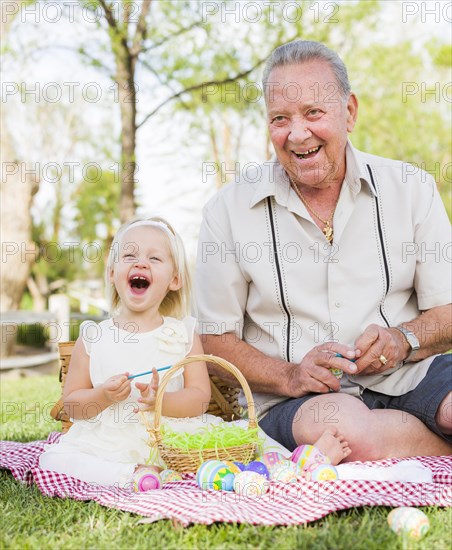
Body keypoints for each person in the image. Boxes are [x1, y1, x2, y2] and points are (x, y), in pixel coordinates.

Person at [195, 40, 452, 462]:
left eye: (314, 112)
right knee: (346, 431)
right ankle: (418, 445)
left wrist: (402, 339)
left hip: (410, 374)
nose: (297, 134)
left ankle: (405, 444)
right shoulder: (226, 211)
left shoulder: (412, 188)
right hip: (295, 401)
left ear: (349, 112)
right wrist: (292, 374)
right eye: (280, 119)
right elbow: (214, 340)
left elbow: (447, 312)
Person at [40, 216, 213, 487]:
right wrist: (102, 395)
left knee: (231, 441)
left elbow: (201, 397)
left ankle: (154, 472)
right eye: (129, 255)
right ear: (111, 273)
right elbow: (72, 405)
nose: (140, 262)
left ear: (175, 280)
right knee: (51, 460)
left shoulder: (183, 333)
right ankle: (130, 474)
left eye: (155, 259)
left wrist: (161, 402)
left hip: (170, 436)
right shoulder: (93, 336)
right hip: (109, 440)